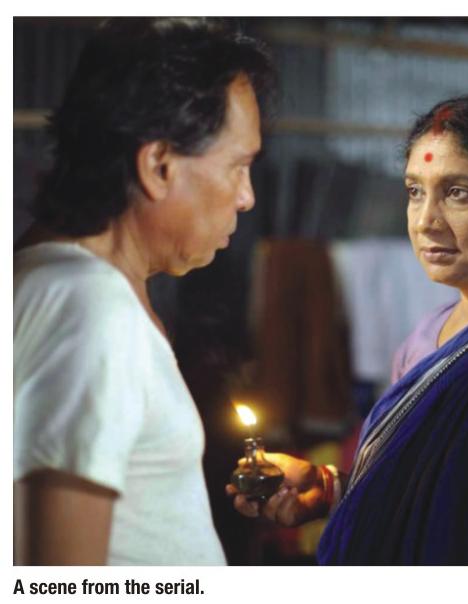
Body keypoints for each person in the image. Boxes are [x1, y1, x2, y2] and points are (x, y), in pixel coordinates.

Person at [228, 95, 468, 565]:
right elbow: (430, 494)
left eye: (458, 193)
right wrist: (329, 488)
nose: (425, 221)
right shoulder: (425, 338)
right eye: (415, 191)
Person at [13, 17, 274, 565]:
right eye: (238, 167)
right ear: (159, 165)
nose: (246, 197)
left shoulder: (47, 276)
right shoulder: (89, 308)